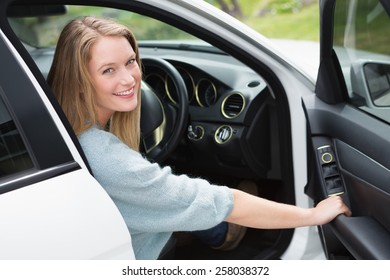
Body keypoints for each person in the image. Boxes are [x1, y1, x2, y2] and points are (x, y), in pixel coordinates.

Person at [47, 16, 351, 260]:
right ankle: (221, 235)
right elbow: (224, 202)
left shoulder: (57, 127)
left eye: (130, 61)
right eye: (108, 70)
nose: (129, 79)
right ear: (79, 81)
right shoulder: (108, 158)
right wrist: (312, 214)